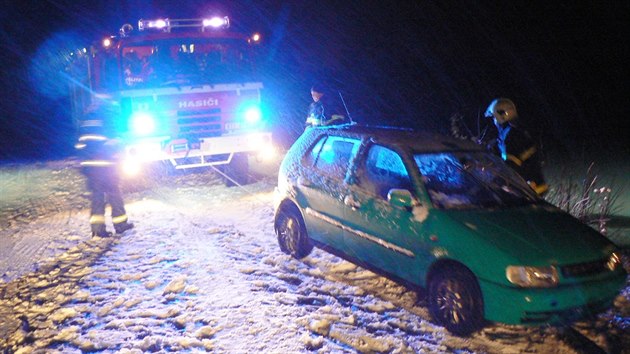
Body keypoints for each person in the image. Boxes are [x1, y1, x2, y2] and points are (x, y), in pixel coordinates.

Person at [75, 108, 134, 237]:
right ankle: (120, 225)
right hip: (107, 167)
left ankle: (97, 229)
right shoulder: (107, 120)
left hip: (91, 168)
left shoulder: (85, 124)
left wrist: (84, 165)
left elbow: (79, 147)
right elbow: (114, 143)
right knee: (114, 195)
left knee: (97, 198)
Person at [484, 98, 549, 196]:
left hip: (528, 188)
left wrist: (494, 182)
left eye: (494, 117)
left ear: (502, 115)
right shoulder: (515, 131)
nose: (494, 121)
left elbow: (511, 167)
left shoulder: (510, 136)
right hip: (534, 184)